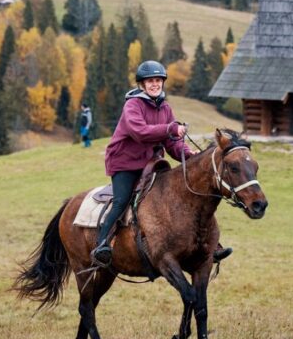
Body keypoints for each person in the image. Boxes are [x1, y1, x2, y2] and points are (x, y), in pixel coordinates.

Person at [92, 60, 232, 267]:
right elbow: (140, 133)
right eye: (150, 81)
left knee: (178, 195)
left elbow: (172, 142)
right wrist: (170, 129)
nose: (155, 84)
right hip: (125, 163)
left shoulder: (165, 107)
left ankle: (210, 245)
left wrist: (188, 154)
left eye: (158, 80)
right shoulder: (132, 105)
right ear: (142, 84)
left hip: (151, 162)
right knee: (121, 201)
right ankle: (101, 244)